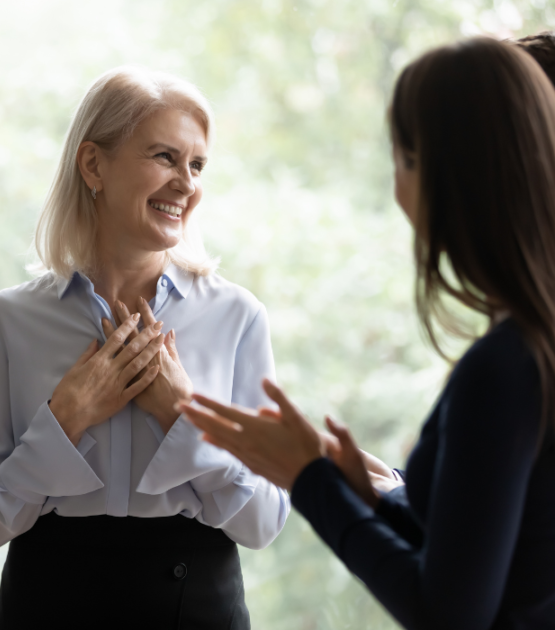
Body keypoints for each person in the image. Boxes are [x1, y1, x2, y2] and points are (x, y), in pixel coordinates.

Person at [181, 37, 555, 630]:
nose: (398, 186)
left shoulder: (505, 367)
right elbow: (489, 569)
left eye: (404, 158)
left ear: (451, 175)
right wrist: (364, 492)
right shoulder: (533, 345)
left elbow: (449, 613)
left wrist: (310, 480)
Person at [0, 67, 289, 629]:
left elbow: (264, 522)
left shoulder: (237, 318)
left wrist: (187, 416)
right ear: (93, 165)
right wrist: (65, 420)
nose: (187, 182)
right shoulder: (7, 321)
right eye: (164, 156)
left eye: (197, 164)